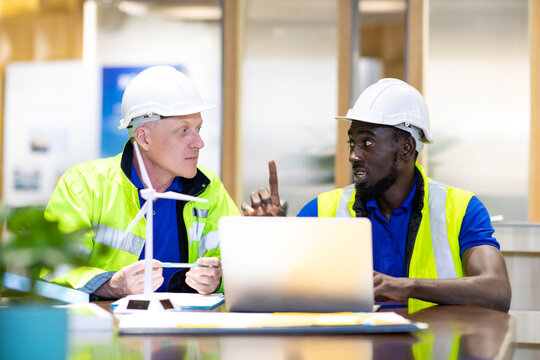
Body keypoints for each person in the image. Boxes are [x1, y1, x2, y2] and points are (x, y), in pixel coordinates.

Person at [242, 78, 511, 312]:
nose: (353, 155)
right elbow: (278, 290)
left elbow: (497, 290)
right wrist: (269, 237)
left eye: (367, 143)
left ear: (406, 147)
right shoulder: (322, 209)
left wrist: (407, 287)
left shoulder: (462, 209)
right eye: (352, 142)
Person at [44, 65, 239, 299]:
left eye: (198, 128)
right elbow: (51, 268)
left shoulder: (209, 188)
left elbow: (240, 263)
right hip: (106, 330)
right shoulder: (83, 185)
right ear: (144, 137)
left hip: (186, 329)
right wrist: (111, 285)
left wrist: (217, 279)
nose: (199, 142)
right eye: (184, 130)